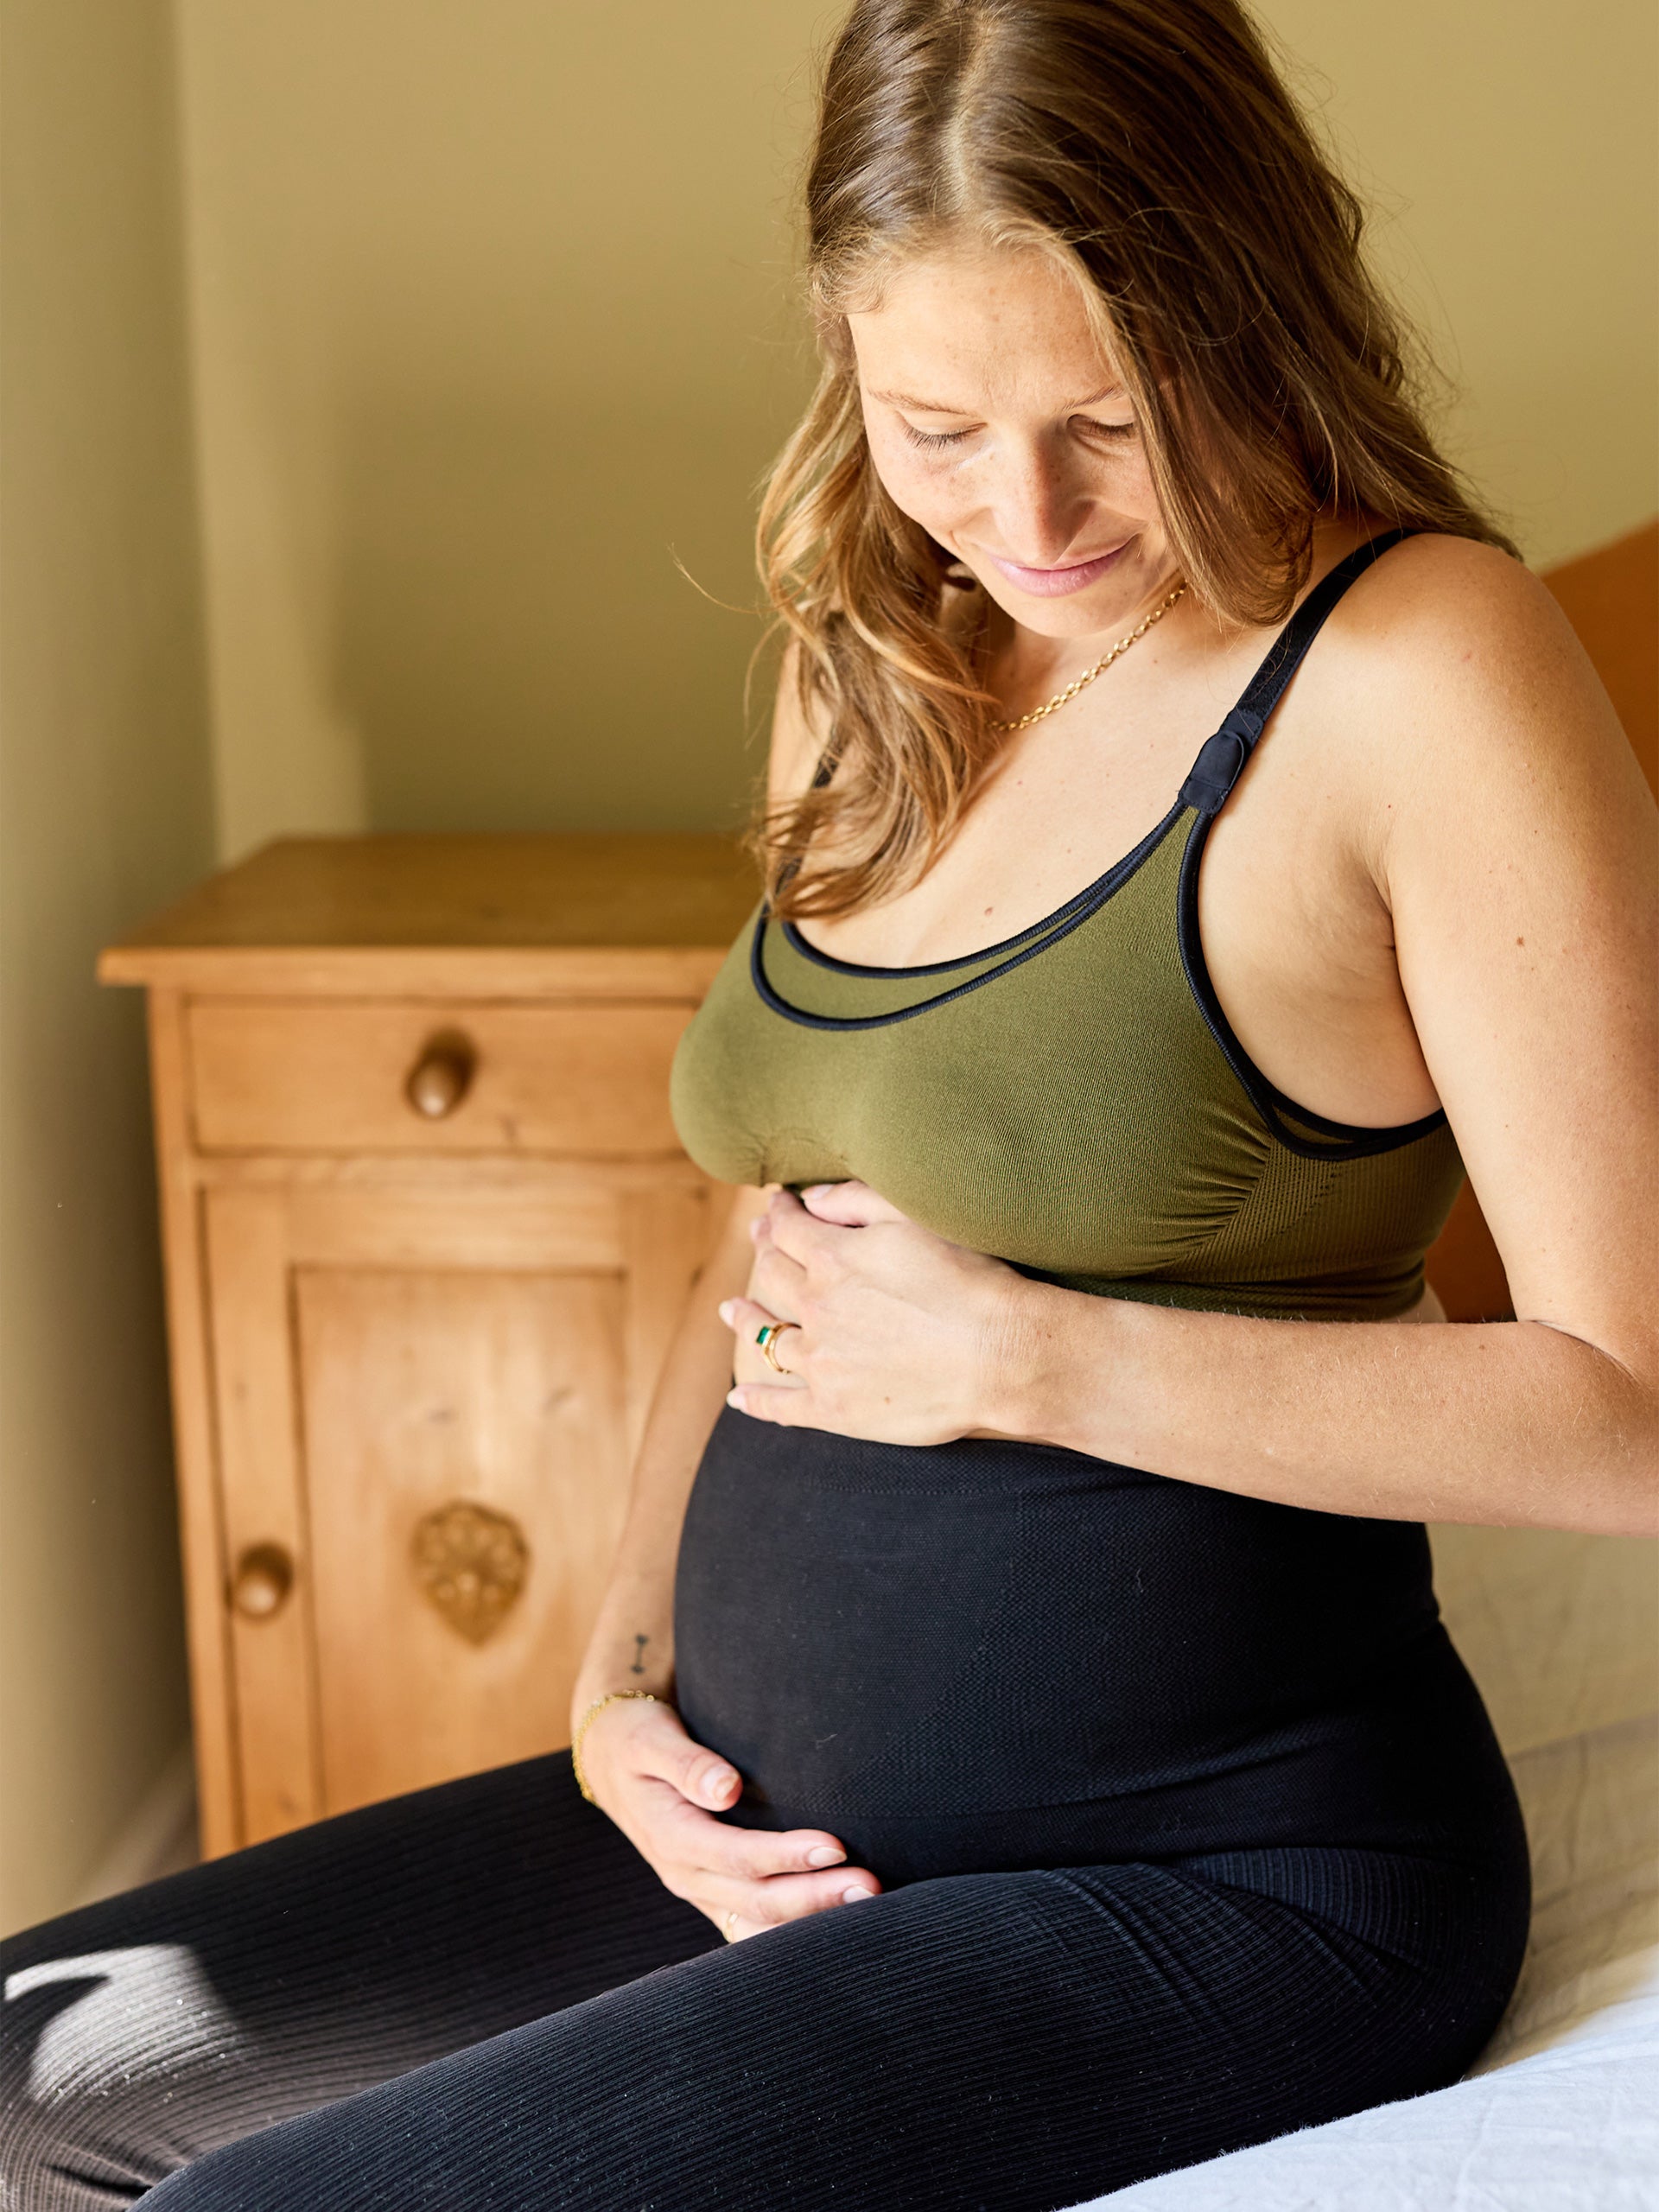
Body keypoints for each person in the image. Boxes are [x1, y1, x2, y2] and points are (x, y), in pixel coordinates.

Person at [3, 2, 1655, 2205]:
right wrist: (615, 1682)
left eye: (1106, 415)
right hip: (765, 1827)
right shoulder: (874, 663)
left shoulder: (1418, 668)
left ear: (1249, 320)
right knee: (32, 2075)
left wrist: (1033, 1356)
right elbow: (760, 1250)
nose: (1028, 512)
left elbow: (1629, 1406)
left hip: (1217, 1871)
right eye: (938, 423)